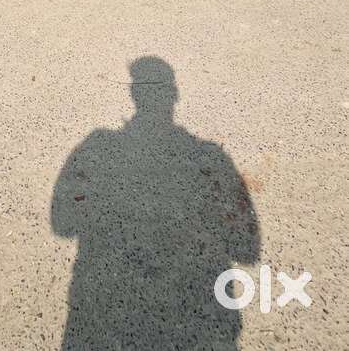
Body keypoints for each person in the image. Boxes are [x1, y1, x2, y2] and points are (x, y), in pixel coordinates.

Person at [51, 57, 260, 350]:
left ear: (134, 94)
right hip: (196, 324)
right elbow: (247, 250)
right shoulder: (211, 158)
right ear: (175, 95)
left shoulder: (98, 146)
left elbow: (62, 224)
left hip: (107, 321)